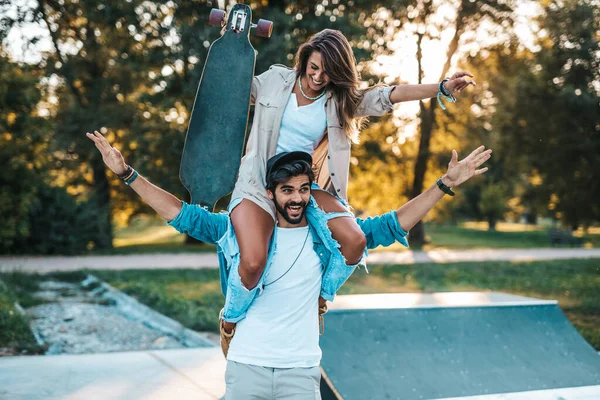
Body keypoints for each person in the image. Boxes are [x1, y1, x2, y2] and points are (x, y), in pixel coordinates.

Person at [87, 130, 491, 399]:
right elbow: (181, 214)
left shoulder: (325, 239)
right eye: (287, 191)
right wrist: (126, 173)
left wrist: (443, 185)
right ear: (270, 193)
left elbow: (392, 224)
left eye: (303, 190)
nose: (296, 198)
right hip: (248, 367)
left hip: (300, 371)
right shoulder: (241, 232)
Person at [223, 28, 477, 333]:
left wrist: (441, 88)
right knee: (252, 262)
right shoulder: (275, 81)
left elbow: (389, 94)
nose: (318, 77)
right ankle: (230, 319)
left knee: (355, 241)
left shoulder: (339, 99)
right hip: (256, 181)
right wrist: (232, 44)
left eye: (328, 72)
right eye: (314, 68)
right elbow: (233, 91)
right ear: (304, 60)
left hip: (304, 184)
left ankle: (318, 301)